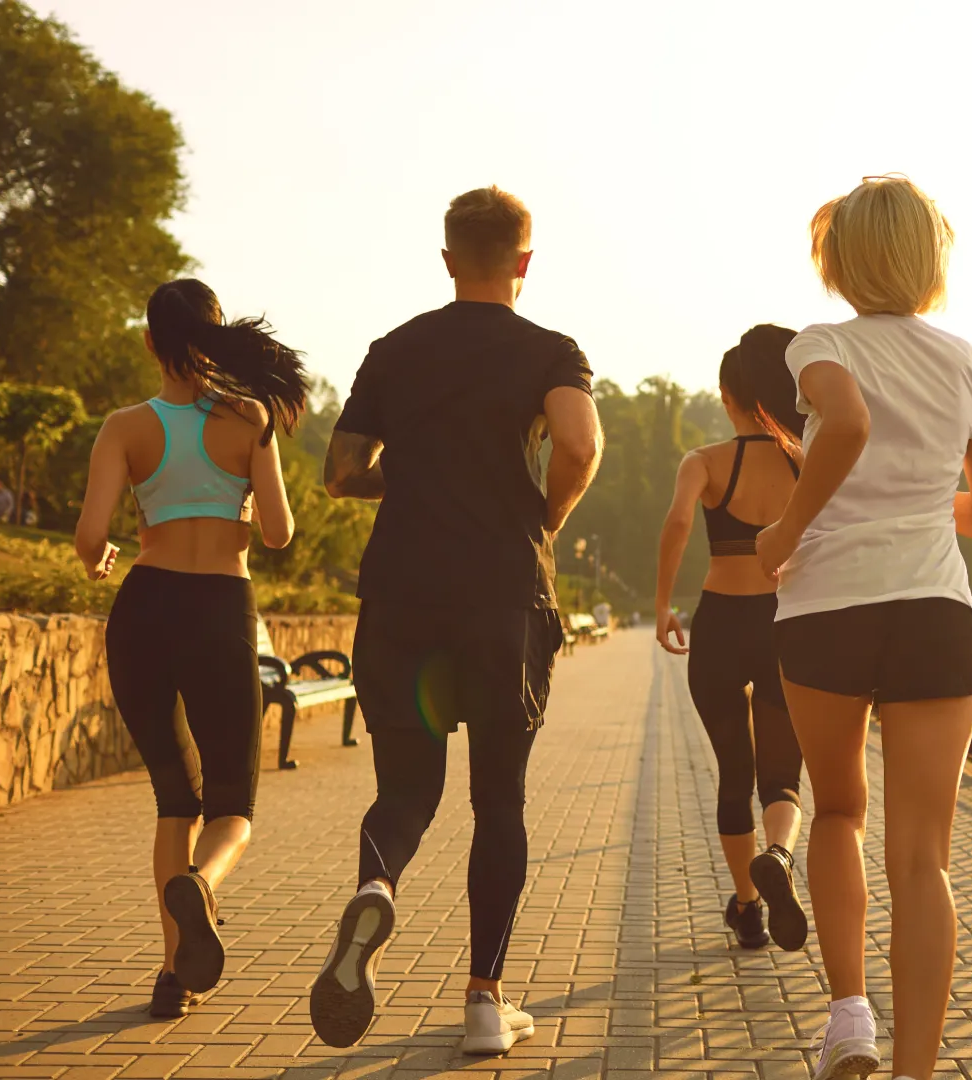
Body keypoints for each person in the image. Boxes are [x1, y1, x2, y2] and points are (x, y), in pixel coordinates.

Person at [311, 185, 602, 1056]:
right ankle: (484, 1001)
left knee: (406, 791)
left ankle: (377, 886)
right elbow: (580, 444)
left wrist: (412, 477)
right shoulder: (550, 351)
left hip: (402, 595)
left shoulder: (394, 349)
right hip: (501, 595)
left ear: (446, 259)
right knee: (497, 800)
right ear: (524, 261)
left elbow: (340, 469)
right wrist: (545, 516)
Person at [756, 176, 972, 1080]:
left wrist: (786, 530)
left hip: (827, 606)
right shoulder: (966, 360)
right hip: (932, 611)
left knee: (837, 811)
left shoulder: (820, 344)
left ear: (841, 260)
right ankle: (915, 1073)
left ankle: (850, 1018)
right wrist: (922, 500)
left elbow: (849, 420)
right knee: (922, 860)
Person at [72, 278, 308, 1020]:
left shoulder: (125, 426)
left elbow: (89, 537)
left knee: (176, 801)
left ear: (150, 341)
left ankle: (174, 975)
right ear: (215, 337)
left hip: (143, 610)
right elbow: (279, 534)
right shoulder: (251, 417)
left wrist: (103, 558)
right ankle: (201, 885)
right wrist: (243, 487)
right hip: (219, 610)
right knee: (232, 808)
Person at [653, 323, 809, 953]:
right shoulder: (806, 460)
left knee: (733, 772)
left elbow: (677, 523)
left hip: (719, 623)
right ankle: (780, 855)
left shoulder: (704, 461)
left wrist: (662, 604)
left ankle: (748, 907)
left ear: (727, 397)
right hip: (784, 623)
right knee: (782, 773)